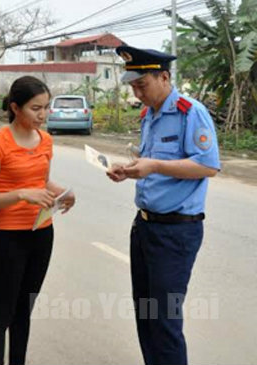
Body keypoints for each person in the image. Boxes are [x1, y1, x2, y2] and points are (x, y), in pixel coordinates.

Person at [107, 45, 220, 365]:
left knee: (165, 319)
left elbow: (208, 166)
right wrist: (129, 169)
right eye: (132, 86)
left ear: (165, 77)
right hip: (144, 226)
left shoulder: (190, 112)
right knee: (146, 314)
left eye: (142, 85)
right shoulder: (149, 115)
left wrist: (153, 166)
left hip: (175, 232)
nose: (137, 93)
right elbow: (151, 161)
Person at [0, 76, 75, 365]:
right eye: (35, 108)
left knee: (23, 310)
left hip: (42, 234)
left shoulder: (46, 140)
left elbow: (43, 182)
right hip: (8, 238)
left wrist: (65, 193)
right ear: (16, 108)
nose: (42, 115)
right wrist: (20, 195)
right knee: (2, 312)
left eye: (46, 108)